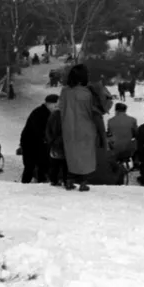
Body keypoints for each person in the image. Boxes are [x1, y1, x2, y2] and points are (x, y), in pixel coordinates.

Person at [58, 64, 105, 192]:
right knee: (85, 156)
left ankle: (69, 180)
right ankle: (83, 182)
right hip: (85, 128)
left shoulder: (65, 91)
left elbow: (60, 109)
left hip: (68, 127)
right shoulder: (87, 93)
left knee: (71, 155)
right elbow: (97, 111)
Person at [20, 94, 57, 183]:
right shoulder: (39, 113)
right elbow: (38, 130)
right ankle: (25, 183)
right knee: (30, 166)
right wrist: (47, 139)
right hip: (30, 143)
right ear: (49, 104)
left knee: (43, 164)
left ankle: (41, 182)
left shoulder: (48, 113)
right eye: (55, 105)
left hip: (40, 143)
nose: (56, 107)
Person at [45, 101, 71, 188]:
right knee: (65, 164)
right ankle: (65, 180)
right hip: (65, 142)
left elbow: (48, 129)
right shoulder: (67, 115)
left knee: (54, 163)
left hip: (54, 143)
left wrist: (50, 141)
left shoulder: (53, 115)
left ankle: (54, 180)